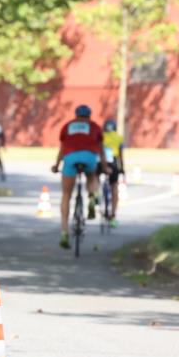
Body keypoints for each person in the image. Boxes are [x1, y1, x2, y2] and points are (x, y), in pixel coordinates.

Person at [52, 105, 107, 249]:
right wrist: (105, 167)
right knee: (92, 176)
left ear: (76, 115)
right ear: (89, 115)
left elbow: (62, 149)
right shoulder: (94, 126)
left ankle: (64, 231)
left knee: (66, 195)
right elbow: (101, 150)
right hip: (89, 157)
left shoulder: (67, 126)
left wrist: (57, 165)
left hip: (70, 158)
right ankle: (93, 195)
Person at [101, 118, 125, 227]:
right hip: (114, 162)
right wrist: (122, 168)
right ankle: (113, 215)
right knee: (114, 187)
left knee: (94, 179)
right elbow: (120, 154)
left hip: (101, 161)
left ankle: (95, 196)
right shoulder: (119, 138)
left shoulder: (101, 137)